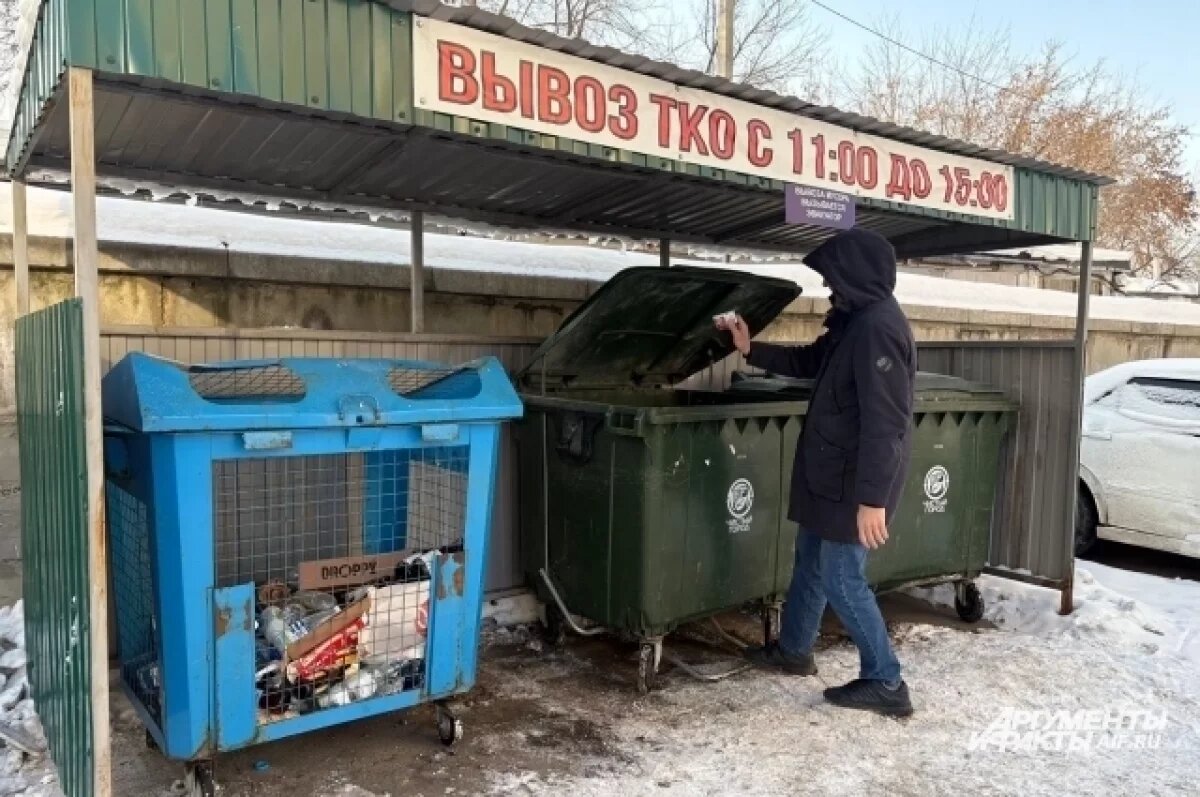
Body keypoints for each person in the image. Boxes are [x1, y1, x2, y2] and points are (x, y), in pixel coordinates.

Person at [717, 227, 916, 717]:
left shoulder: (879, 329)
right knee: (809, 557)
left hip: (854, 481)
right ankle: (794, 651)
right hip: (830, 472)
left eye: (833, 278)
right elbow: (811, 361)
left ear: (855, 274)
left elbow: (886, 422)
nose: (829, 288)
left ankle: (885, 680)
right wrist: (750, 348)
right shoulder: (855, 322)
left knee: (843, 577)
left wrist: (873, 499)